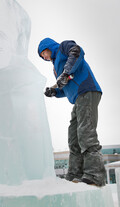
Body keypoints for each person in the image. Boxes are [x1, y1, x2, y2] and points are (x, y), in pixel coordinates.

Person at [38, 38, 106, 186]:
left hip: (87, 90)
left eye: (43, 52)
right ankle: (75, 174)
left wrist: (66, 72)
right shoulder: (55, 67)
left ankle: (95, 174)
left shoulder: (63, 47)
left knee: (85, 133)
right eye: (41, 56)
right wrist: (55, 91)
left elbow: (77, 52)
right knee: (73, 137)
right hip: (77, 99)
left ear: (48, 47)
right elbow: (65, 87)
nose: (43, 56)